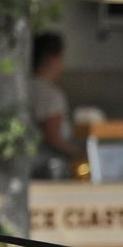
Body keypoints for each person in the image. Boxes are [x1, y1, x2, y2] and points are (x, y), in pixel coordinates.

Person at [30, 32, 83, 178]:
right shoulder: (50, 95)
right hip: (48, 167)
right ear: (53, 60)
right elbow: (53, 138)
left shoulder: (24, 89)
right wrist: (81, 154)